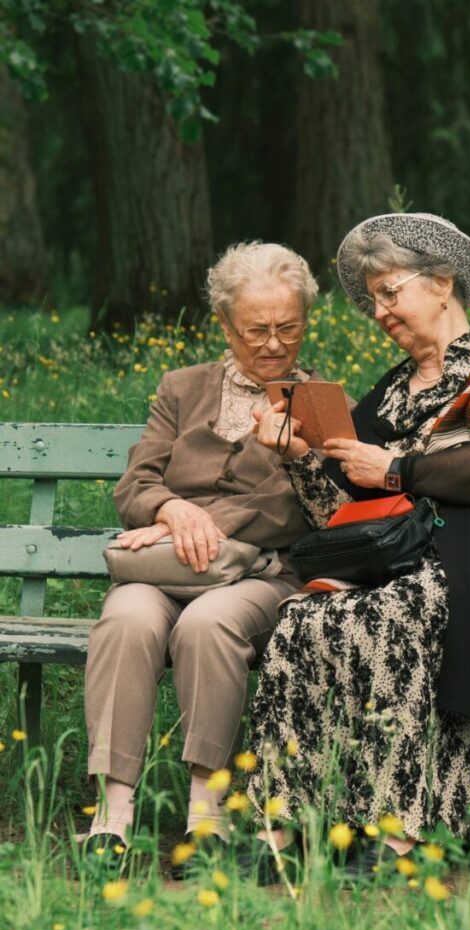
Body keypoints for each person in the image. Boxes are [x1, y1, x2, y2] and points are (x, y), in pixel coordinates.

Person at [247, 212, 470, 876]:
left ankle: (394, 834)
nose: (380, 312)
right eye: (372, 301)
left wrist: (393, 468)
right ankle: (289, 829)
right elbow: (347, 515)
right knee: (301, 619)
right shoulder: (386, 396)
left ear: (441, 282)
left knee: (386, 614)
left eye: (390, 292)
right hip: (406, 562)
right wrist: (301, 455)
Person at [84, 241, 321, 861]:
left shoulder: (320, 404)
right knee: (127, 616)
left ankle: (205, 812)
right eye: (255, 330)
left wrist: (189, 524)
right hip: (166, 572)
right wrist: (170, 509)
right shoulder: (182, 388)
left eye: (288, 328)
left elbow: (287, 512)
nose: (273, 344)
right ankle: (113, 813)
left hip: (263, 576)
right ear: (224, 324)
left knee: (208, 624)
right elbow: (136, 485)